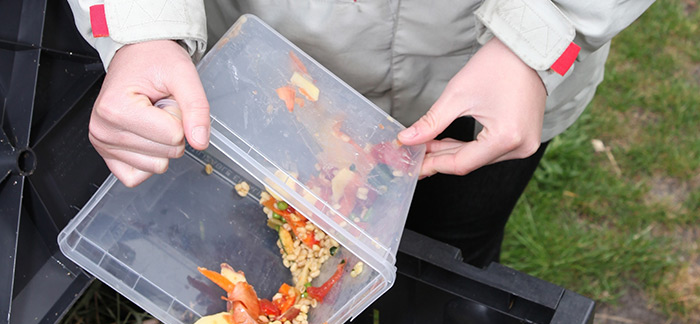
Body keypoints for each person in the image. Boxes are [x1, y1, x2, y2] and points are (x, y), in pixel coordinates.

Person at [67, 0, 653, 267]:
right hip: (263, 68)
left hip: (485, 78)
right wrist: (141, 25)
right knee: (256, 249)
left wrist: (542, 36)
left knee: (451, 254)